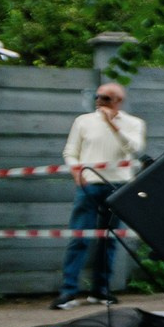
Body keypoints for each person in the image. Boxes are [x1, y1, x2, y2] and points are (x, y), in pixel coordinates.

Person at [55, 83, 145, 309]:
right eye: (97, 96)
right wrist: (76, 171)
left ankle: (101, 290)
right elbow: (70, 151)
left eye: (105, 98)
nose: (99, 101)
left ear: (118, 101)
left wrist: (113, 125)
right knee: (79, 237)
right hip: (89, 184)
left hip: (118, 185)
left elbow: (134, 149)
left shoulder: (134, 123)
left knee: (109, 240)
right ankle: (68, 291)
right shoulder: (83, 121)